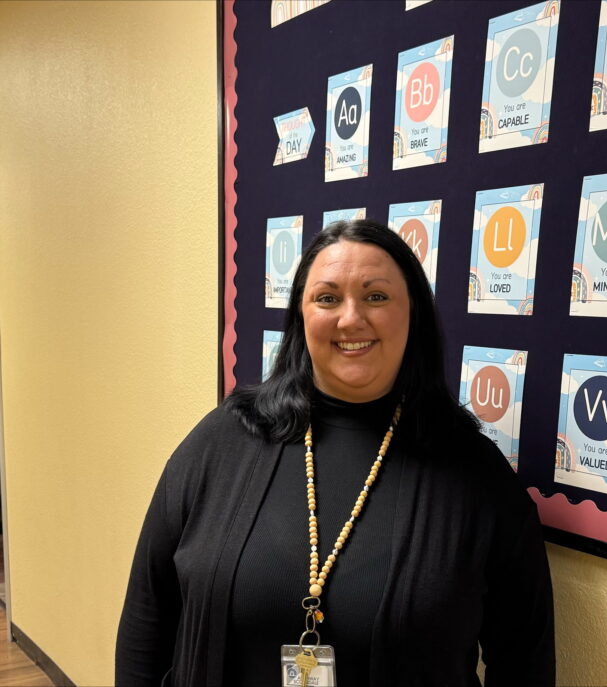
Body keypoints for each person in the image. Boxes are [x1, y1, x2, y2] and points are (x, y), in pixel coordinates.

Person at [116, 219, 555, 687]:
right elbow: (148, 617)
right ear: (301, 316)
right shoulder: (221, 441)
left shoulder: (476, 477)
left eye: (376, 296)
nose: (350, 318)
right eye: (327, 298)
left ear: (414, 315)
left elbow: (524, 661)